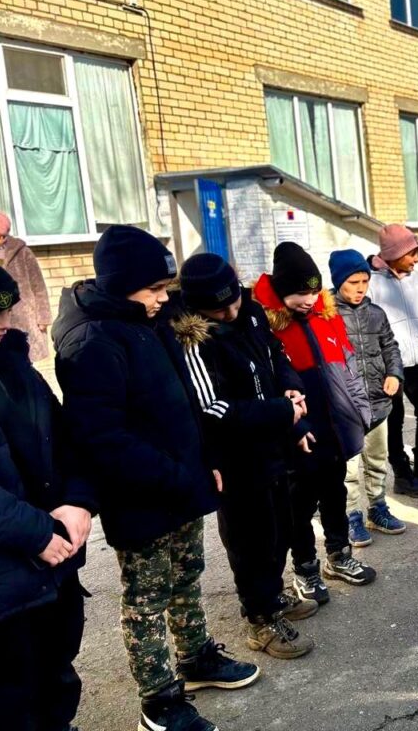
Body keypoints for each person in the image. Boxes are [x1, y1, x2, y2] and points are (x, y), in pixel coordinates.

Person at [52, 226, 257, 731]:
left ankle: (196, 657)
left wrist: (202, 460)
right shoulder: (91, 342)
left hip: (182, 482)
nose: (166, 299)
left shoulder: (148, 321)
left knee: (187, 577)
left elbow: (184, 401)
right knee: (147, 597)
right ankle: (159, 698)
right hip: (141, 496)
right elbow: (104, 439)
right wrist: (173, 476)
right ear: (123, 286)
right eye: (155, 290)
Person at [173, 253, 316, 660]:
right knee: (249, 538)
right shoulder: (194, 339)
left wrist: (289, 391)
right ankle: (260, 618)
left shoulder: (251, 312)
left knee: (279, 527)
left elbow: (277, 357)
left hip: (274, 444)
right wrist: (279, 412)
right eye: (221, 308)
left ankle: (273, 596)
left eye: (235, 299)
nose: (232, 311)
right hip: (236, 459)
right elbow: (211, 407)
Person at [0, 266, 96, 731]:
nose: (4, 323)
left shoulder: (16, 368)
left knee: (56, 666)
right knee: (11, 689)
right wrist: (38, 533)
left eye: (5, 310)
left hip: (53, 563)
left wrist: (79, 502)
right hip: (10, 572)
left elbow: (66, 439)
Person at [253, 242, 376, 605]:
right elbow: (268, 386)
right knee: (299, 506)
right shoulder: (266, 326)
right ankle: (305, 567)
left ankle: (339, 556)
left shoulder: (327, 315)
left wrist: (361, 412)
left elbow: (349, 365)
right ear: (280, 291)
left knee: (335, 494)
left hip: (335, 428)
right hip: (300, 435)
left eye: (312, 291)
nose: (308, 300)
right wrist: (292, 427)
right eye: (299, 294)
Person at [329, 248, 407, 546]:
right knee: (348, 468)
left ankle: (377, 508)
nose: (360, 289)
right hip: (346, 408)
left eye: (364, 281)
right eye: (353, 283)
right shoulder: (328, 316)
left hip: (378, 403)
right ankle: (350, 515)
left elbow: (391, 347)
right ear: (338, 282)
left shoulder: (376, 314)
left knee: (376, 459)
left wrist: (394, 374)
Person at [367, 224, 418, 496]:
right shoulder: (372, 283)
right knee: (395, 418)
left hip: (416, 362)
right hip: (390, 366)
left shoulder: (416, 278)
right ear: (394, 253)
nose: (416, 259)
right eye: (411, 253)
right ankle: (402, 474)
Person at [0, 210, 52, 362]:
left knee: (25, 361)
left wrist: (43, 318)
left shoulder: (22, 252)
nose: (0, 240)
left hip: (23, 317)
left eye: (3, 236)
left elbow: (38, 286)